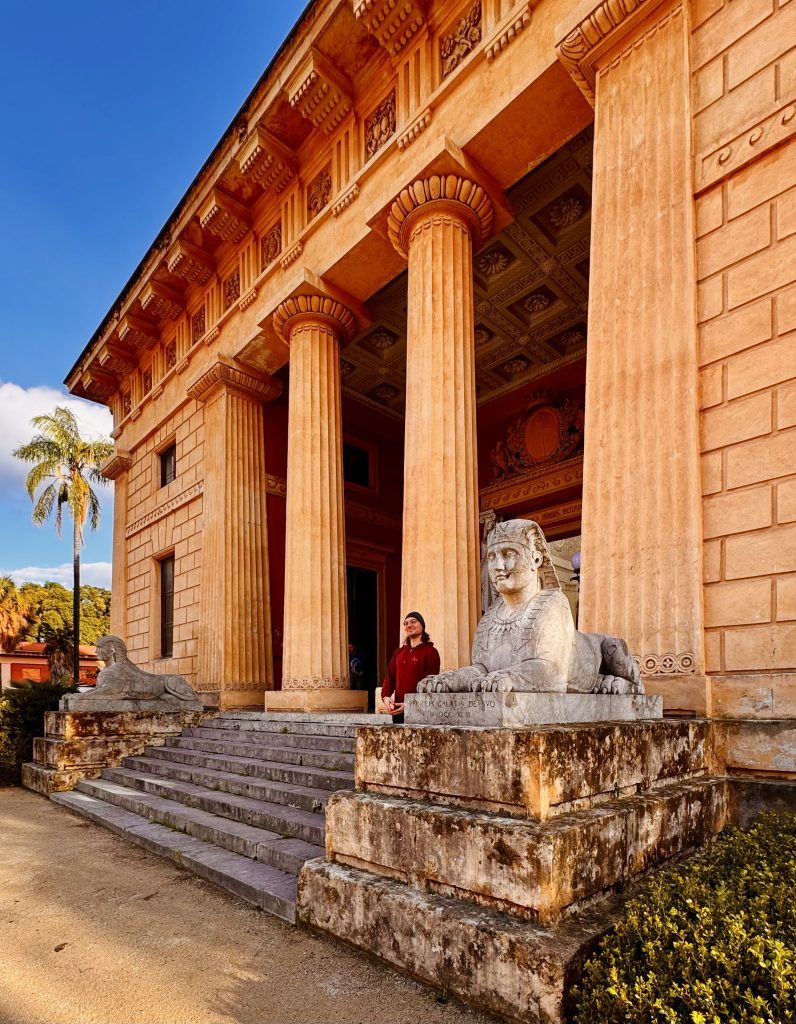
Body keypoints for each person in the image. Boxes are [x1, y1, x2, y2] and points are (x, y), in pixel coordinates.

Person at [381, 612, 440, 723]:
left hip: (420, 713)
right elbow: (390, 678)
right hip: (398, 712)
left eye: (413, 622)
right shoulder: (399, 653)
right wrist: (386, 697)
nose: (409, 625)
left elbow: (431, 685)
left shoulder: (431, 652)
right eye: (406, 623)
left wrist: (410, 704)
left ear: (422, 626)